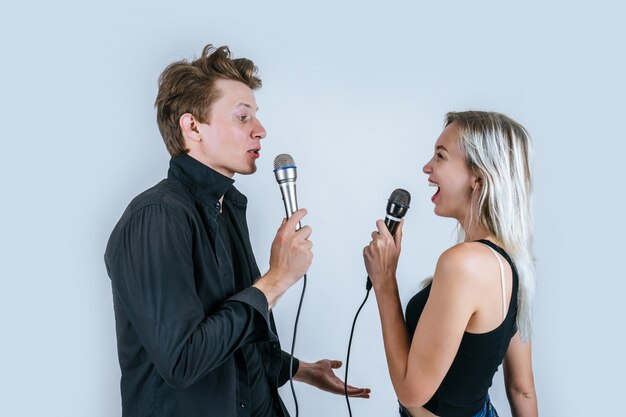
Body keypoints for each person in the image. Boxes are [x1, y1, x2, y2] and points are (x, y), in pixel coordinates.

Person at [104, 44, 370, 417]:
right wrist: (276, 280)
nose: (260, 131)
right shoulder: (156, 218)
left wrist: (297, 369)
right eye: (243, 118)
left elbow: (227, 335)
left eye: (255, 117)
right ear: (192, 126)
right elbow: (183, 360)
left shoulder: (227, 208)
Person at [363, 111, 538, 417]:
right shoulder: (513, 263)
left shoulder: (464, 264)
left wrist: (384, 282)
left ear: (479, 178)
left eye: (440, 156)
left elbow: (411, 392)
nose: (427, 168)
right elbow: (522, 389)